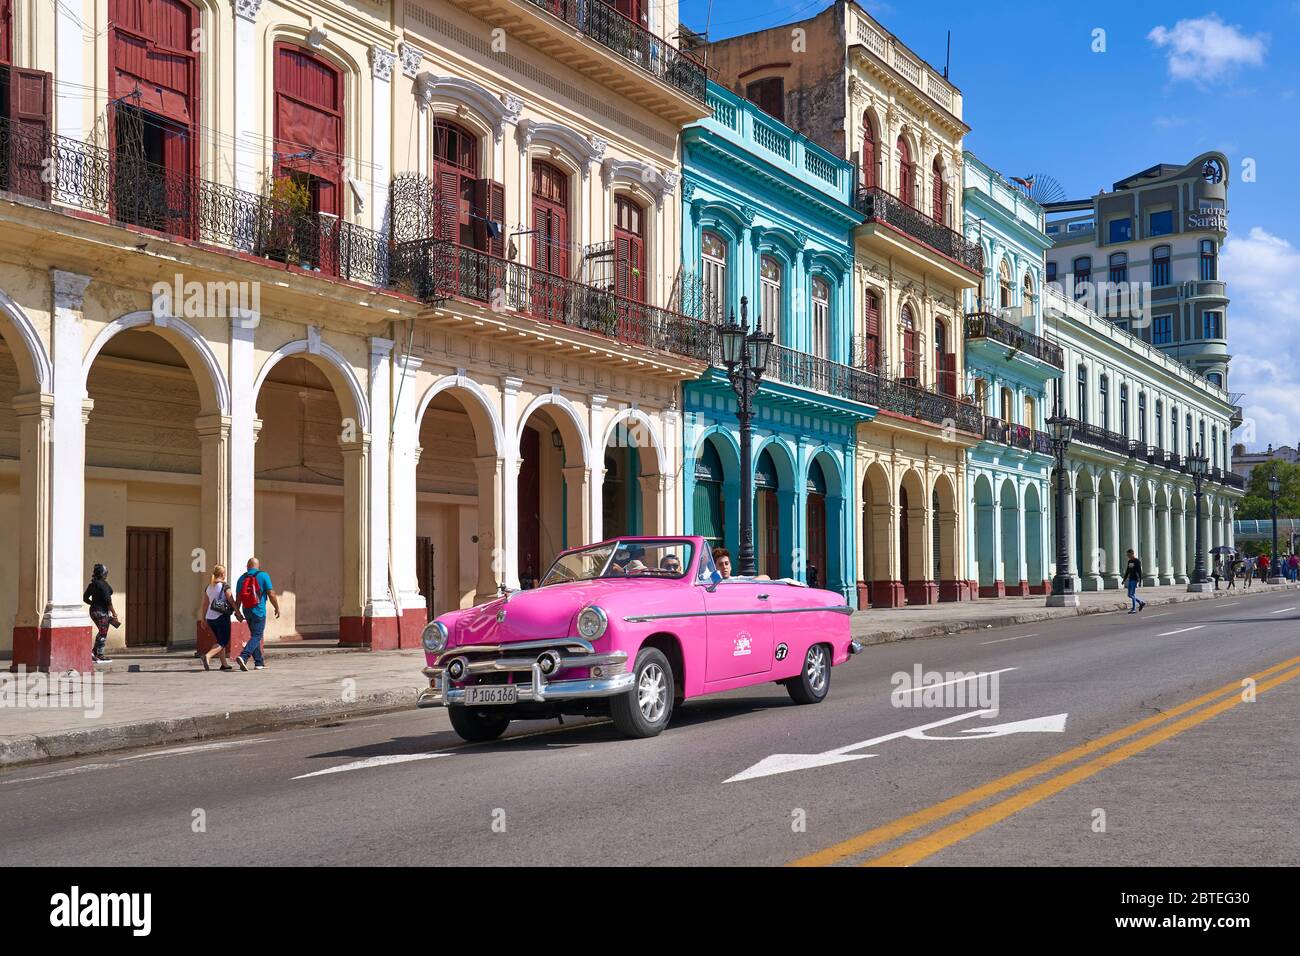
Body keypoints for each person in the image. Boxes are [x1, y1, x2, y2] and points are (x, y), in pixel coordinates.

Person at [233, 557, 279, 671]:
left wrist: (237, 612)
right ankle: (243, 657)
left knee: (255, 635)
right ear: (258, 566)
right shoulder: (263, 576)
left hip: (247, 610)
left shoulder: (241, 578)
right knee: (257, 636)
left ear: (247, 566)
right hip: (259, 610)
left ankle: (259, 662)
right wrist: (277, 607)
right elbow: (271, 594)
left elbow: (238, 597)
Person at [200, 565, 236, 671]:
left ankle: (224, 664)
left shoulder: (208, 587)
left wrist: (203, 619)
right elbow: (231, 600)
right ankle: (208, 656)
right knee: (223, 641)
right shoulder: (224, 586)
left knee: (220, 640)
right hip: (221, 616)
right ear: (222, 574)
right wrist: (237, 612)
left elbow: (205, 604)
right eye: (224, 573)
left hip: (210, 618)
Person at [82, 563, 118, 664]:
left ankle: (94, 652)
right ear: (103, 574)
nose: (106, 575)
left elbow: (85, 598)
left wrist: (93, 603)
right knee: (103, 632)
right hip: (101, 611)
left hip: (93, 611)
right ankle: (99, 654)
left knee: (102, 631)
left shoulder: (93, 584)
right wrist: (114, 613)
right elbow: (108, 601)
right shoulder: (102, 585)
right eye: (105, 573)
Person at [1124, 548, 1146, 613]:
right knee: (1129, 595)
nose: (1127, 556)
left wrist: (1140, 580)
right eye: (1127, 555)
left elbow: (1139, 571)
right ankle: (1141, 602)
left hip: (1135, 579)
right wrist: (1124, 579)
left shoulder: (1137, 561)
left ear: (1132, 554)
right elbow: (1127, 571)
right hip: (1130, 579)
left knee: (1132, 594)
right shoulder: (1129, 561)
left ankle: (1133, 609)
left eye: (1128, 555)